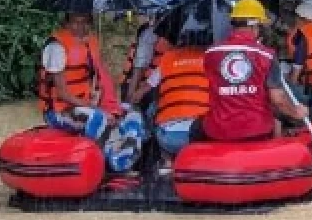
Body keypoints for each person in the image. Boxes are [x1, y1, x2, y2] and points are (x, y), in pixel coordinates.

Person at [36, 13, 146, 173]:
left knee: (131, 110)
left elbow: (99, 80)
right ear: (66, 23)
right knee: (97, 118)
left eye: (85, 23)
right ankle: (109, 165)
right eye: (76, 23)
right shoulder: (56, 47)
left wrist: (106, 105)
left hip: (84, 104)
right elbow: (62, 94)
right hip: (59, 111)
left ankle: (128, 155)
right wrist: (95, 109)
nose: (81, 28)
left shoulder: (90, 42)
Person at [190, 0, 307, 143]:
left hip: (219, 130)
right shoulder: (267, 55)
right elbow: (278, 100)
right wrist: (295, 112)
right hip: (257, 129)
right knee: (276, 117)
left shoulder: (210, 53)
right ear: (254, 26)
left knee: (195, 128)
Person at [145, 29, 212, 173]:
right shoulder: (213, 58)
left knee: (152, 109)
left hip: (169, 137)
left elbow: (145, 89)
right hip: (200, 136)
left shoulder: (167, 58)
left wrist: (129, 100)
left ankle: (167, 163)